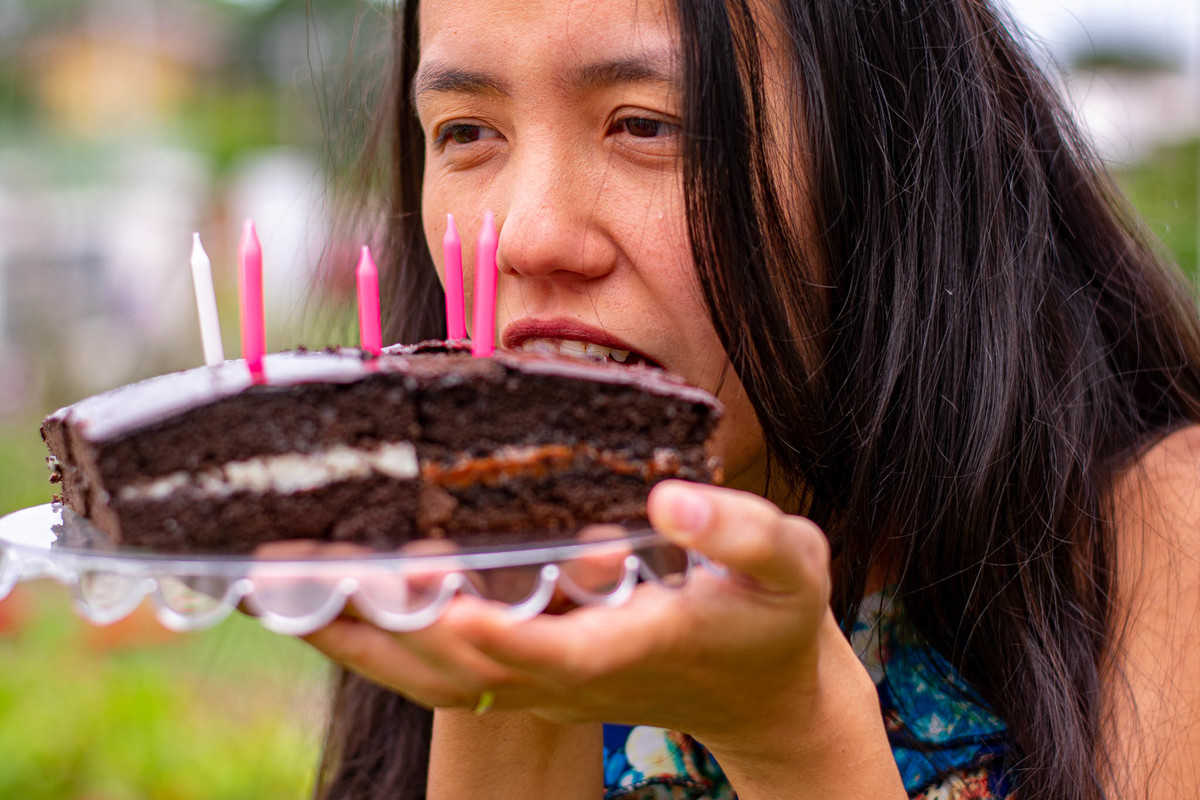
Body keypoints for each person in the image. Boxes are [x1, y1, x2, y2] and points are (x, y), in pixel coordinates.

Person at [303, 0, 1200, 798]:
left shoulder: (1160, 543)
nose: (528, 238)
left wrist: (790, 730)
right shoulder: (435, 566)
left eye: (645, 125)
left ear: (882, 154)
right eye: (466, 132)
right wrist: (504, 672)